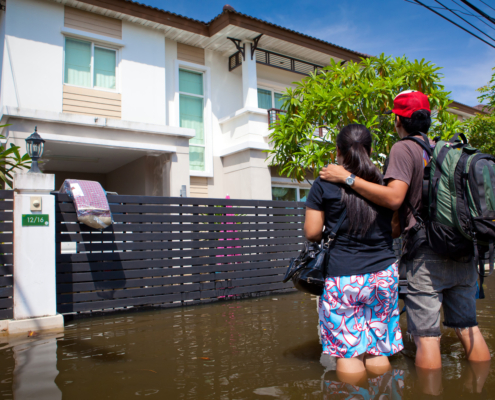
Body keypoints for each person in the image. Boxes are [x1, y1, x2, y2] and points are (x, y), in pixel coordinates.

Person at [319, 91, 491, 372]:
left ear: (399, 120)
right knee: (468, 328)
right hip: (462, 249)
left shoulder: (404, 148)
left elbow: (394, 198)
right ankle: (480, 388)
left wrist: (347, 177)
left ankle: (428, 392)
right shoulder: (442, 149)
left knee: (427, 338)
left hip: (427, 253)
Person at [304, 124, 403, 384]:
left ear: (338, 150)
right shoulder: (384, 184)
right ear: (369, 150)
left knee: (349, 353)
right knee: (377, 350)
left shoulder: (323, 183)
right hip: (384, 274)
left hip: (344, 276)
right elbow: (395, 230)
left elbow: (312, 232)